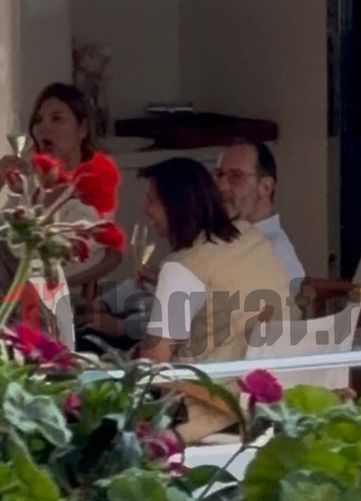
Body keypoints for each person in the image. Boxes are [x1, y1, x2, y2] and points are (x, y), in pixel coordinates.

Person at [134, 157, 290, 364]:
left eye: (151, 200)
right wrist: (163, 282)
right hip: (278, 374)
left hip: (216, 382)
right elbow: (219, 286)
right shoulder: (248, 235)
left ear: (175, 207)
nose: (144, 209)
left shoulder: (183, 267)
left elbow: (152, 363)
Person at [1, 83, 122, 293]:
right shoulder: (32, 181)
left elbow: (65, 259)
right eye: (38, 120)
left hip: (55, 294)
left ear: (82, 129)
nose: (43, 128)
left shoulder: (93, 183)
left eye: (56, 119)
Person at [213, 141, 305, 295]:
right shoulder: (221, 241)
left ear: (266, 187)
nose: (221, 187)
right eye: (219, 175)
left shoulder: (276, 256)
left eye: (236, 176)